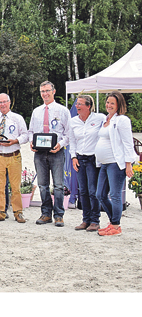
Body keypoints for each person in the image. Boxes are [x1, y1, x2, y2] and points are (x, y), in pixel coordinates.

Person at [28, 81, 71, 227]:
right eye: (42, 91)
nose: (45, 94)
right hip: (40, 153)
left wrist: (60, 145)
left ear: (54, 91)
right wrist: (31, 143)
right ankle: (46, 213)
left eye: (47, 90)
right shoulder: (36, 111)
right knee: (42, 185)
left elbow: (68, 134)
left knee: (58, 185)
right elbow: (31, 132)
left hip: (56, 152)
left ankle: (59, 215)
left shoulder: (63, 111)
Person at [94, 91, 137, 236]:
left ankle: (115, 225)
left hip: (115, 163)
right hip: (104, 163)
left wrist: (129, 163)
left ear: (119, 105)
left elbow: (127, 142)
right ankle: (114, 221)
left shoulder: (122, 120)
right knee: (100, 194)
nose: (109, 105)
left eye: (112, 103)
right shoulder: (106, 119)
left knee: (115, 194)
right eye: (107, 102)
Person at [0, 93, 29, 223]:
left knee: (15, 187)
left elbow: (25, 136)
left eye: (5, 102)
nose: (2, 104)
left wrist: (15, 141)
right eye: (0, 102)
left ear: (9, 103)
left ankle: (18, 212)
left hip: (14, 156)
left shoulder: (17, 118)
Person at [68, 95, 106, 232]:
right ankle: (85, 219)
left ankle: (95, 220)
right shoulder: (73, 121)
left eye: (80, 104)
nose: (77, 106)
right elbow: (72, 141)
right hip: (79, 157)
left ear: (88, 106)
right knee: (82, 190)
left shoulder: (99, 118)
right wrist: (73, 157)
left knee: (92, 190)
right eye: (77, 104)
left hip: (93, 158)